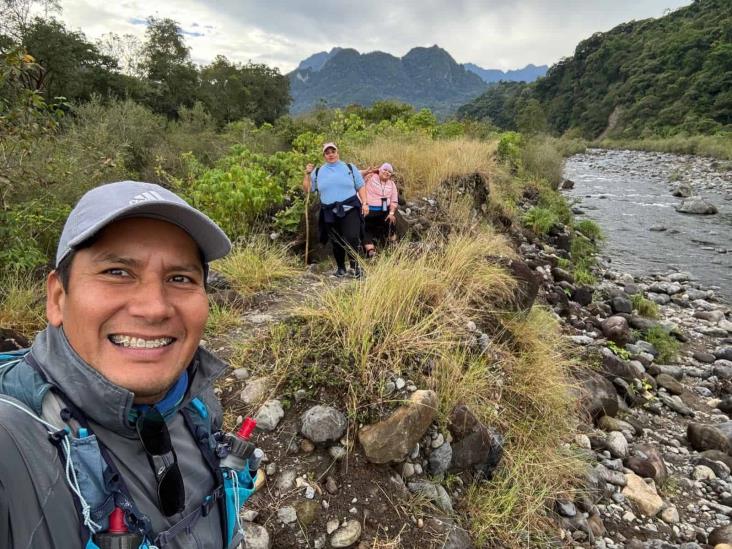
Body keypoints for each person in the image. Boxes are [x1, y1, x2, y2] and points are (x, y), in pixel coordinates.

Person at [0, 181, 256, 549]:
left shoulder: (197, 403)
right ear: (57, 297)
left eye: (180, 278)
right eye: (117, 272)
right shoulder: (12, 445)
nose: (154, 308)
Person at [303, 142, 367, 278]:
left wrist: (365, 203)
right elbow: (308, 189)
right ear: (324, 155)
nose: (330, 154)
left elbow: (360, 186)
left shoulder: (349, 167)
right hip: (329, 211)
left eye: (333, 151)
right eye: (327, 152)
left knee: (352, 237)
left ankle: (355, 267)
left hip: (350, 208)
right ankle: (341, 268)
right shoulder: (318, 171)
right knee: (336, 240)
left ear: (338, 152)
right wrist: (307, 174)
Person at [360, 162, 399, 258]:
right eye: (384, 170)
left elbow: (394, 200)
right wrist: (370, 171)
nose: (387, 172)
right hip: (369, 210)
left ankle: (394, 246)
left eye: (389, 171)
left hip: (384, 210)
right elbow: (356, 176)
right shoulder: (370, 177)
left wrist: (391, 213)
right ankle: (371, 251)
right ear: (380, 170)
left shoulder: (392, 184)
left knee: (391, 221)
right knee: (365, 228)